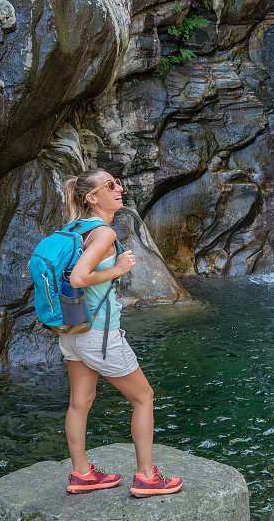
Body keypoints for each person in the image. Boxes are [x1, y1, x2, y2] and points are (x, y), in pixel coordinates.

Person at [59, 168, 182, 498]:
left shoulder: (74, 229)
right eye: (110, 185)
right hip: (99, 333)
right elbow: (78, 279)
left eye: (117, 183)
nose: (119, 188)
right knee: (143, 398)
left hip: (72, 331)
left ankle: (82, 473)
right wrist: (119, 269)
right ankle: (146, 477)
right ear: (92, 197)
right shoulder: (103, 234)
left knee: (79, 402)